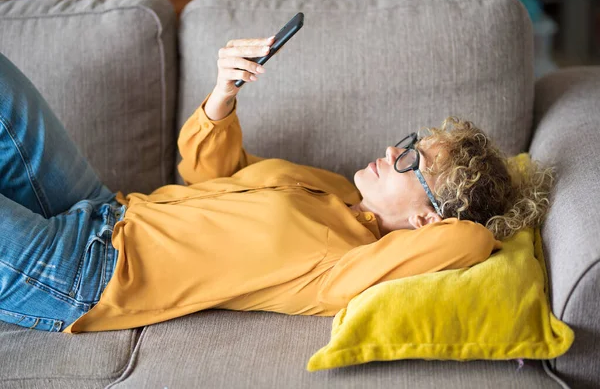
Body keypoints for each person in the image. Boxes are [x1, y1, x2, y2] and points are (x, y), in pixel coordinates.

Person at [0, 37, 553, 334]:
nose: (392, 151)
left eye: (412, 161)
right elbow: (211, 173)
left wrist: (474, 223)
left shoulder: (344, 267)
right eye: (410, 140)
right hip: (101, 209)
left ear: (429, 220)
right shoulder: (331, 187)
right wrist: (223, 94)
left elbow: (471, 242)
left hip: (82, 275)